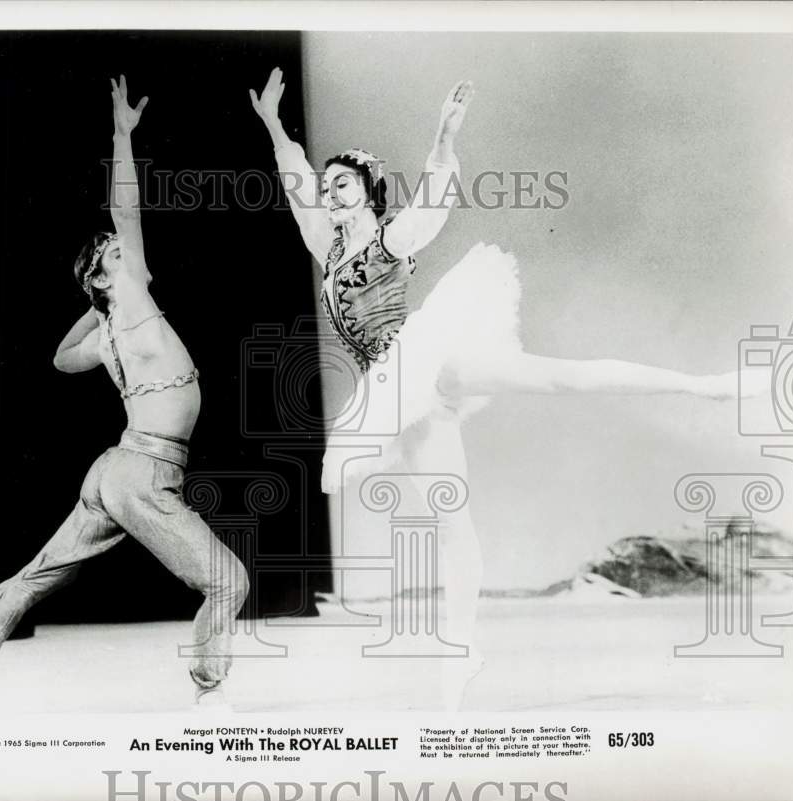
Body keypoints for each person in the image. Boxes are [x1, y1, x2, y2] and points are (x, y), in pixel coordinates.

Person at [250, 67, 749, 710]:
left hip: (426, 358)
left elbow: (434, 194)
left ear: (369, 191)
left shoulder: (391, 238)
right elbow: (294, 183)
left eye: (342, 183)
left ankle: (703, 387)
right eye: (328, 186)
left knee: (560, 377)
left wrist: (443, 134)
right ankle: (463, 650)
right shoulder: (327, 247)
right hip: (397, 392)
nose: (330, 192)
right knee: (449, 521)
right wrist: (270, 124)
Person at [0, 75, 248, 714]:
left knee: (40, 574)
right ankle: (211, 696)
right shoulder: (138, 307)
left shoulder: (110, 332)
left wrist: (96, 308)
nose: (133, 252)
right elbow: (126, 208)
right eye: (119, 254)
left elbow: (62, 359)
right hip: (144, 473)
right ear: (104, 274)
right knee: (229, 580)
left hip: (116, 471)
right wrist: (123, 137)